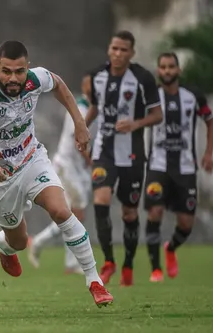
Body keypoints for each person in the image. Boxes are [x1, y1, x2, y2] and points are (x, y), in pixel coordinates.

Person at [0, 40, 113, 307]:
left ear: (27, 68)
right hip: (2, 178)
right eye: (6, 71)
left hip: (33, 161)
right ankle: (3, 245)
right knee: (18, 241)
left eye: (19, 71)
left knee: (62, 211)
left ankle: (94, 281)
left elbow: (59, 85)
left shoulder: (36, 78)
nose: (14, 78)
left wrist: (79, 122)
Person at [85, 30, 163, 286]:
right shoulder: (98, 76)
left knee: (129, 213)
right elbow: (95, 109)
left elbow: (158, 115)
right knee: (101, 199)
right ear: (109, 49)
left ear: (131, 53)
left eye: (123, 50)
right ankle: (108, 261)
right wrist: (81, 128)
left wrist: (136, 123)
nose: (117, 54)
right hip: (104, 151)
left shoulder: (142, 79)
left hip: (132, 155)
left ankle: (128, 263)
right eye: (114, 48)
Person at [144, 52, 213, 282]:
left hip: (185, 168)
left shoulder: (193, 96)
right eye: (163, 67)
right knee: (155, 212)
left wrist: (209, 152)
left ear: (178, 70)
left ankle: (171, 248)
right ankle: (155, 269)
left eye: (171, 67)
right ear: (158, 70)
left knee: (186, 223)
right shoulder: (151, 96)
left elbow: (209, 120)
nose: (167, 71)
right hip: (158, 165)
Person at [27, 74, 94, 275]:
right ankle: (69, 261)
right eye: (91, 83)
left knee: (74, 215)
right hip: (67, 166)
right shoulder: (81, 108)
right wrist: (94, 162)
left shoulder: (97, 108)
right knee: (76, 214)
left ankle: (42, 244)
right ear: (84, 86)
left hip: (80, 168)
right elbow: (79, 138)